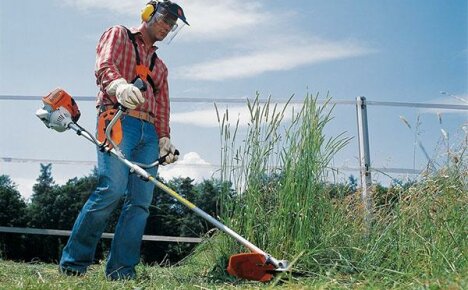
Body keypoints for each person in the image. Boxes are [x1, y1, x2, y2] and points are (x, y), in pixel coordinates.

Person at [59, 0, 188, 280]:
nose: (167, 27)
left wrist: (164, 138)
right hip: (116, 120)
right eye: (164, 19)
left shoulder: (161, 67)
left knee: (140, 203)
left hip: (149, 133)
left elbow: (163, 105)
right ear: (148, 14)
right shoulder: (118, 34)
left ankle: (121, 271)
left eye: (172, 25)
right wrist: (118, 86)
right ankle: (74, 264)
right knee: (111, 189)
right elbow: (104, 64)